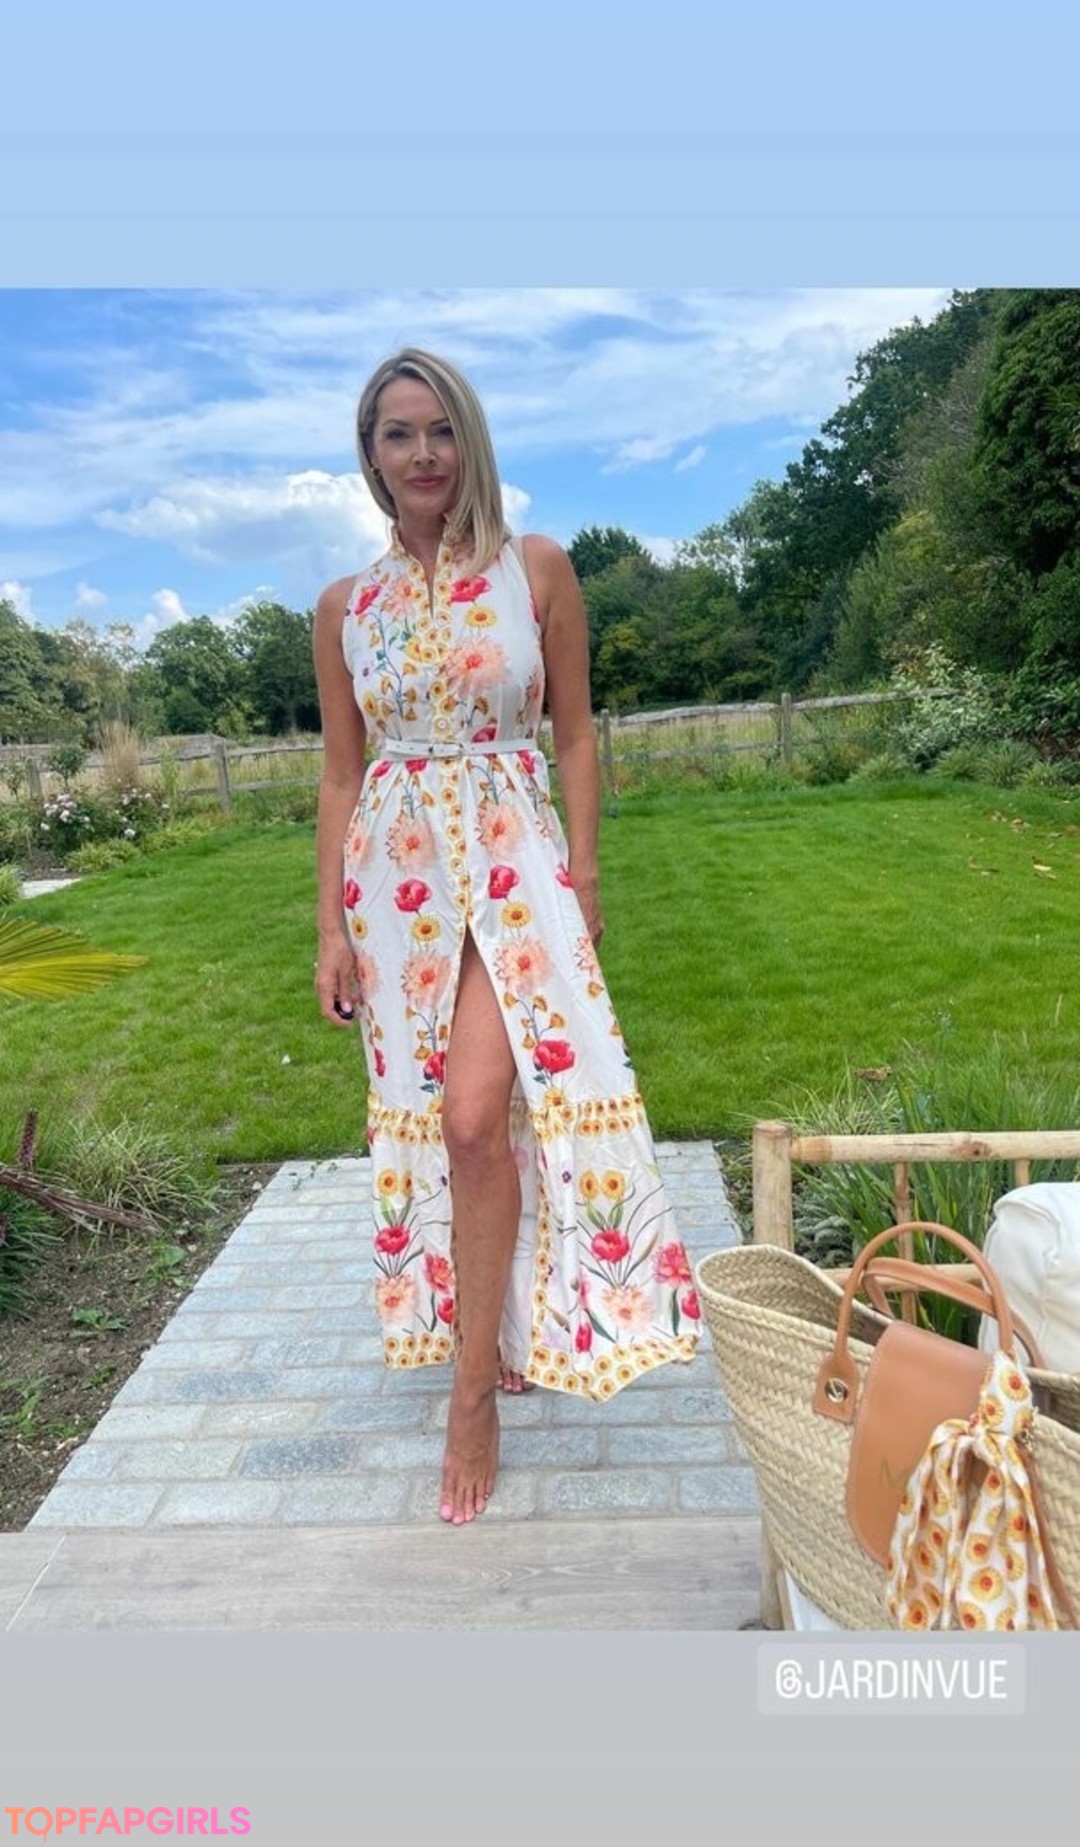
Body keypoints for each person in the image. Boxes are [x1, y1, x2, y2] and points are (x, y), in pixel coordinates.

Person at [312, 348, 700, 1527]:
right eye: (397, 433)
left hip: (515, 858)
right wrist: (329, 927)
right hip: (398, 881)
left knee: (479, 1114)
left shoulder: (537, 568)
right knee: (461, 1119)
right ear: (370, 454)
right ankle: (505, 1318)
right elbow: (340, 773)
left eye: (440, 429)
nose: (422, 452)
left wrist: (584, 872)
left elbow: (573, 732)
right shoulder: (344, 607)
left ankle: (470, 1392)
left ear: (469, 438)